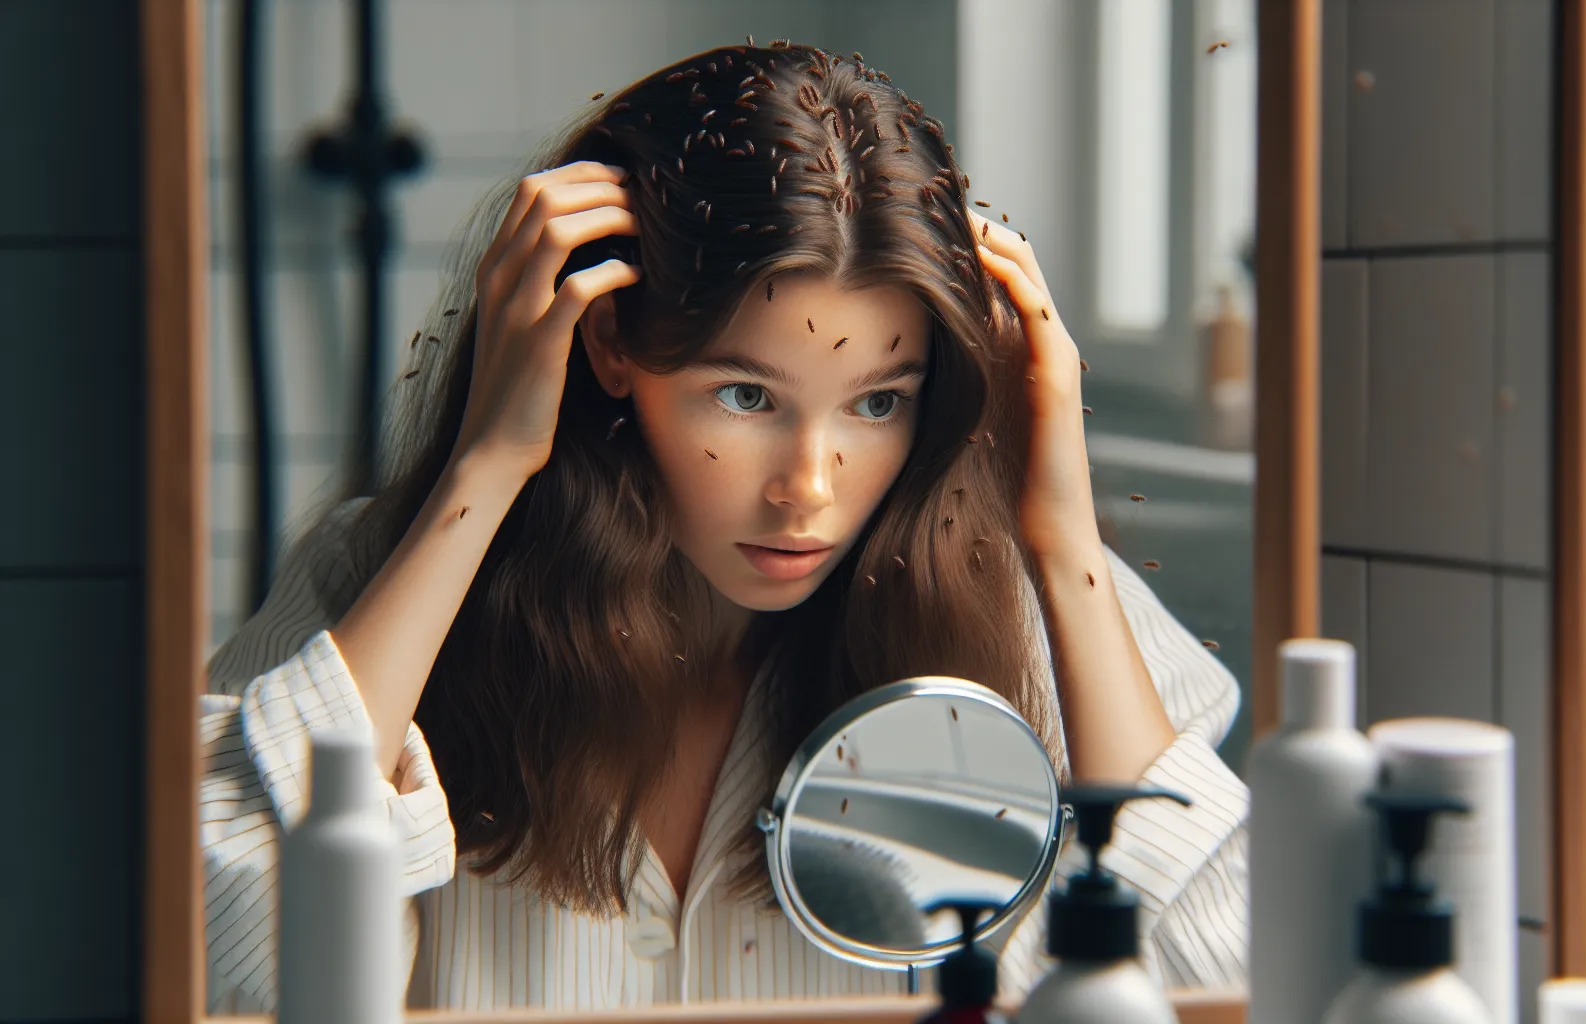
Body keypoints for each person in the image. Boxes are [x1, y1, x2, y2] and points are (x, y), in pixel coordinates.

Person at [199, 40, 1250, 1014]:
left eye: (878, 400)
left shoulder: (1028, 614)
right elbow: (220, 948)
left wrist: (1063, 544)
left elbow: (1218, 981)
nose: (809, 489)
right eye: (745, 396)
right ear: (608, 345)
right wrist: (486, 466)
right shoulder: (374, 582)